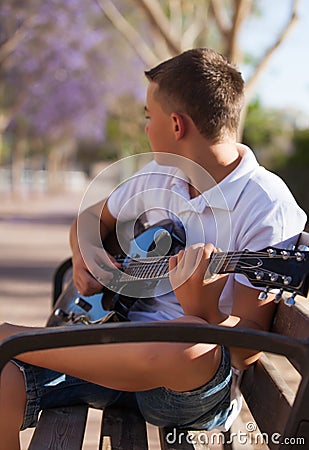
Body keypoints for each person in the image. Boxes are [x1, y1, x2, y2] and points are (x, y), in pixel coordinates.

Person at [0, 48, 306, 450]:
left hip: (184, 389)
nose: (146, 128)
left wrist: (204, 309)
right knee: (6, 376)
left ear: (177, 124)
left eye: (148, 116)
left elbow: (247, 351)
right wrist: (85, 257)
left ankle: (14, 336)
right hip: (110, 345)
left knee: (190, 339)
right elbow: (89, 221)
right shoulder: (160, 174)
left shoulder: (267, 206)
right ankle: (19, 345)